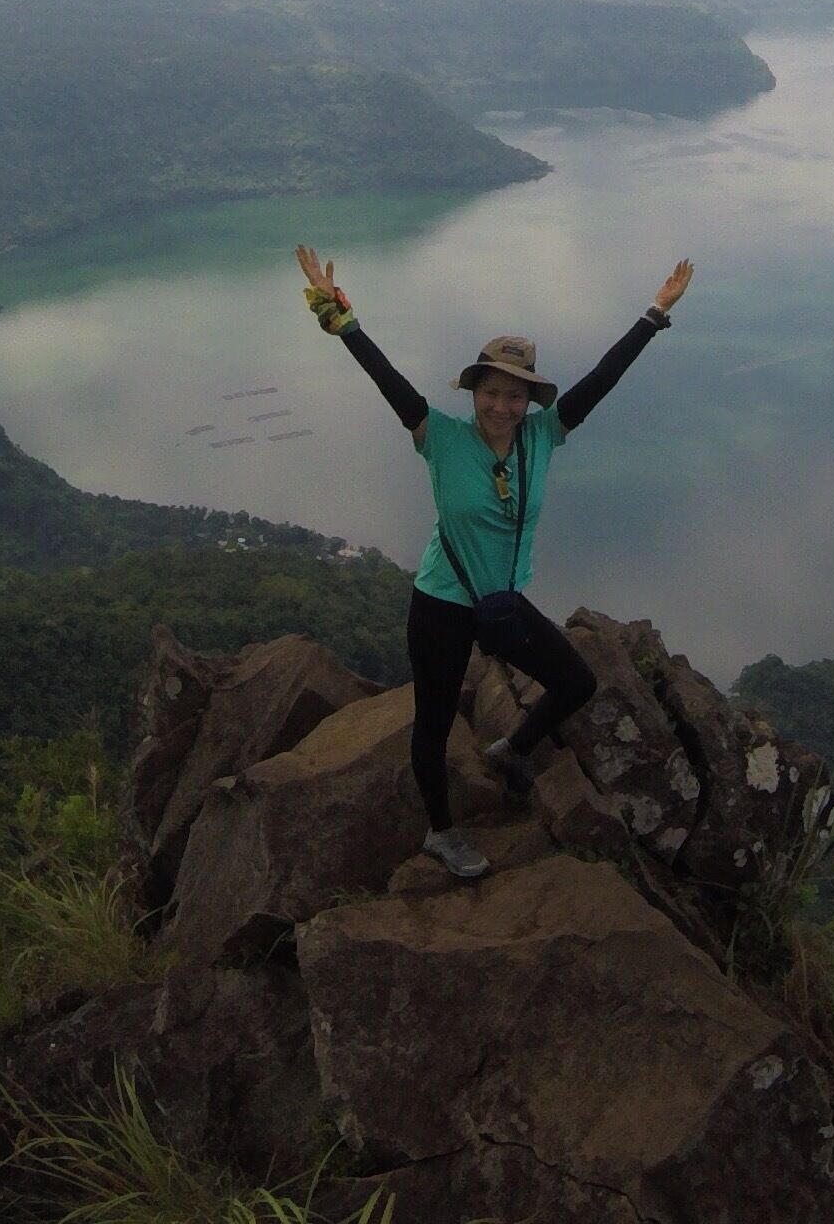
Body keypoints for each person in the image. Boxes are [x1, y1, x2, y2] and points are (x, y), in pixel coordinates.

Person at [295, 244, 694, 879]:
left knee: (576, 682)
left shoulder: (543, 436)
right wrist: (343, 321)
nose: (502, 407)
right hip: (443, 604)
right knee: (432, 724)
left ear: (529, 402)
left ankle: (513, 748)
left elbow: (602, 379)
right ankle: (441, 832)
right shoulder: (440, 438)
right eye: (491, 393)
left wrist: (655, 313)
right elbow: (387, 379)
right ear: (474, 392)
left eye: (514, 396)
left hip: (501, 603)